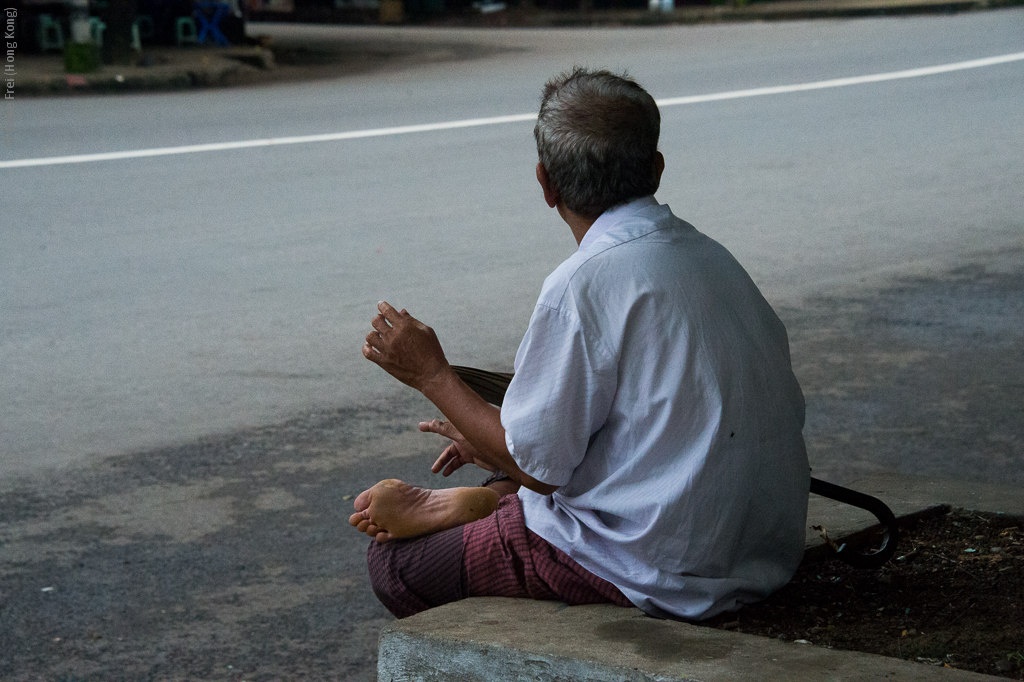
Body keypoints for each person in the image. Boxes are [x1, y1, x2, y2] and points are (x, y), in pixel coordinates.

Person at [350, 68, 810, 622]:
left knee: (395, 566)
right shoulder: (715, 259)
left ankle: (499, 504)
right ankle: (497, 497)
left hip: (658, 564)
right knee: (522, 448)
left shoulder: (581, 284)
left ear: (545, 184)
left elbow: (542, 468)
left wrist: (433, 376)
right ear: (658, 169)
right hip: (759, 550)